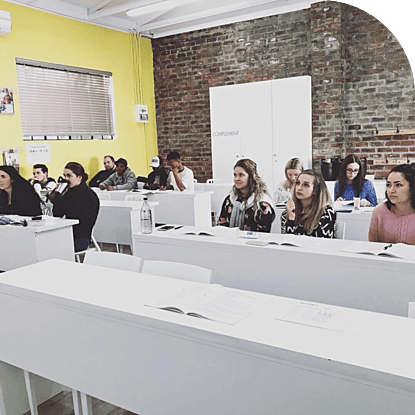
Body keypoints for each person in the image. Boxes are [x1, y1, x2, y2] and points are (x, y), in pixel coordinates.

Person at [51, 162, 100, 252]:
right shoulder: (69, 193)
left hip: (81, 238)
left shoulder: (89, 195)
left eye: (69, 176)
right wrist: (58, 195)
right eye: (64, 176)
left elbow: (83, 223)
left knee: (50, 246)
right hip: (68, 233)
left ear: (79, 177)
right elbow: (57, 214)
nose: (66, 179)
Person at [217, 158, 275, 232]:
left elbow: (263, 232)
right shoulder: (230, 200)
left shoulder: (263, 203)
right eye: (235, 175)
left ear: (251, 177)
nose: (237, 178)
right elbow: (221, 227)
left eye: (241, 175)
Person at [281, 169, 336, 238]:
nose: (299, 188)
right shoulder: (286, 214)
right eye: (298, 183)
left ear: (316, 190)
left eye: (306, 185)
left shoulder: (326, 213)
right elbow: (287, 242)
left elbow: (323, 241)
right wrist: (291, 219)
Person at [369, 164, 415, 245]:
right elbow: (373, 246)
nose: (391, 190)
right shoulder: (379, 212)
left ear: (412, 188)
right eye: (388, 185)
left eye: (398, 185)